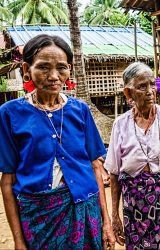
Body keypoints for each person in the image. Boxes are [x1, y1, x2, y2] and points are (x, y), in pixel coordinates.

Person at [0, 34, 116, 249]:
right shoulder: (10, 114)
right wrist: (18, 240)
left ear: (69, 69)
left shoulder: (80, 110)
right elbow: (7, 182)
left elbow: (95, 167)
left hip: (84, 210)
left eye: (61, 67)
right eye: (44, 67)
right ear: (27, 69)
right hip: (39, 215)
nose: (54, 76)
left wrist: (106, 223)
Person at [105, 62, 160, 249]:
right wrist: (115, 216)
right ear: (128, 93)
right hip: (135, 208)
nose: (150, 91)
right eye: (142, 86)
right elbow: (113, 174)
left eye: (152, 84)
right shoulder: (120, 124)